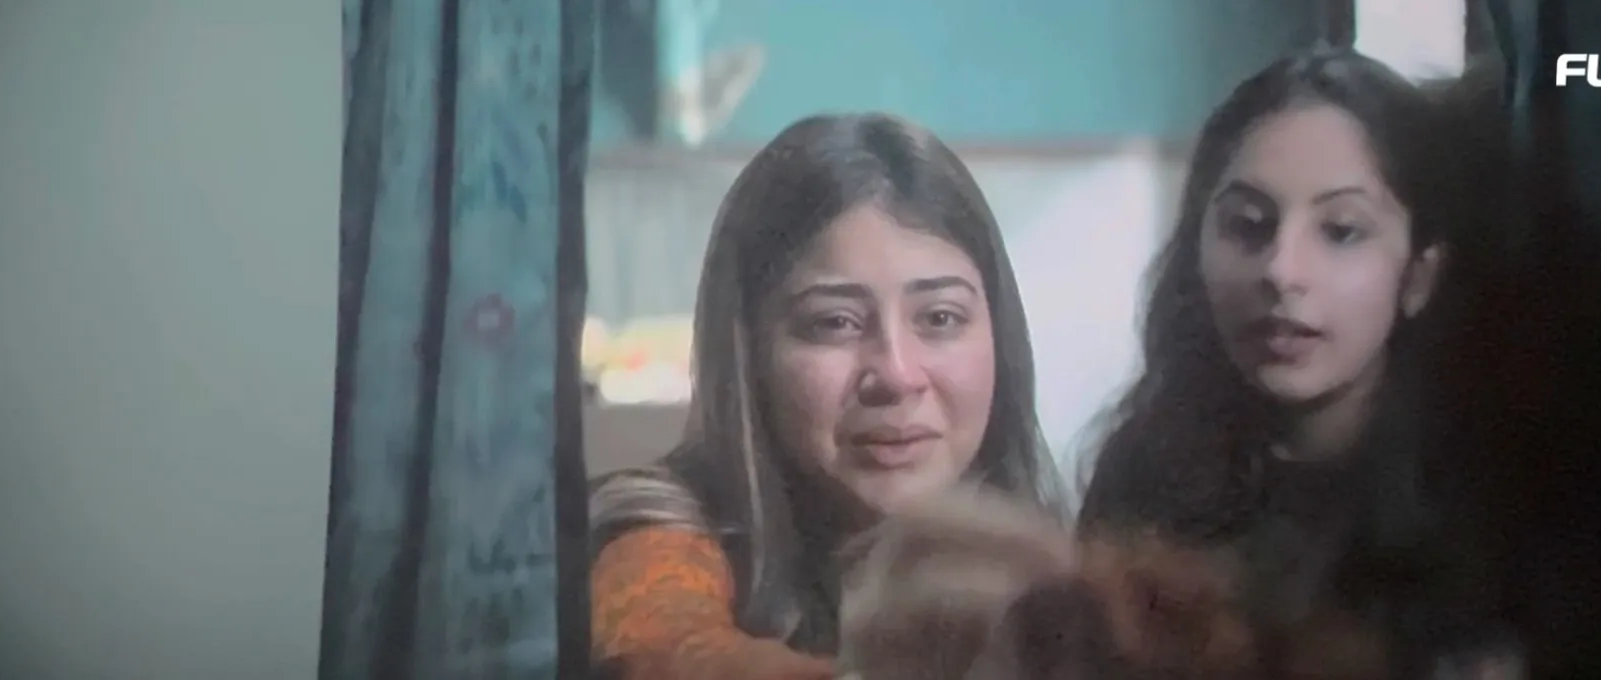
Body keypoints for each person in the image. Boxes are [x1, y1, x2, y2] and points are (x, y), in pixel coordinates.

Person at [1076, 49, 1512, 677]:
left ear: (1420, 275)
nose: (1281, 271)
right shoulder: (1141, 480)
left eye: (1341, 231)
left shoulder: (1487, 507)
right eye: (1248, 225)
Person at [586, 113, 1064, 680]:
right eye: (834, 323)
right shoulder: (651, 530)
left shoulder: (1051, 565)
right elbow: (668, 649)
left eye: (939, 318)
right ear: (747, 351)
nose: (896, 374)